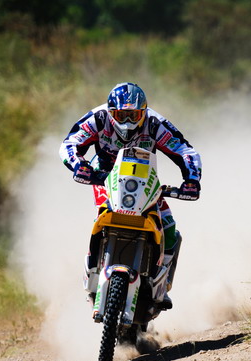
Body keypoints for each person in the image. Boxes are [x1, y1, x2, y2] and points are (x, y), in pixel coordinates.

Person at [58, 82, 202, 308]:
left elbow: (185, 151)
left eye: (133, 115)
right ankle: (93, 274)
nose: (126, 122)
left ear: (143, 112)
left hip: (144, 181)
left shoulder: (155, 123)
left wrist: (192, 180)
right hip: (105, 177)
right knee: (103, 215)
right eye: (120, 115)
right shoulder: (98, 118)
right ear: (111, 112)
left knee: (169, 228)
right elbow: (69, 143)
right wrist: (80, 165)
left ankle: (161, 287)